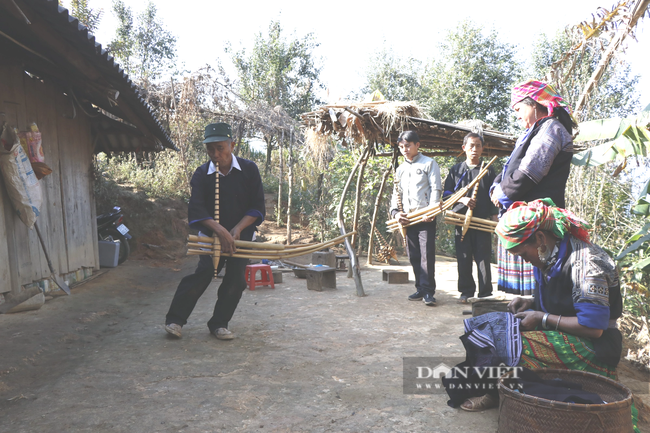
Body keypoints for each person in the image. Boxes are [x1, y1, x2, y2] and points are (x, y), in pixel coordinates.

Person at [445, 199, 632, 429]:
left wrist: (541, 317)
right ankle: (500, 389)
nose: (522, 259)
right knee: (488, 328)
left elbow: (593, 328)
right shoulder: (548, 256)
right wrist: (531, 302)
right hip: (570, 330)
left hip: (596, 346)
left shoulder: (587, 264)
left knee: (510, 346)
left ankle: (500, 393)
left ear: (540, 239)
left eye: (522, 253)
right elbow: (566, 299)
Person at [164, 122, 265, 340]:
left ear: (232, 145)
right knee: (204, 273)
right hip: (211, 236)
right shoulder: (202, 173)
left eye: (220, 148)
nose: (215, 154)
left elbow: (257, 207)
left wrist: (236, 229)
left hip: (242, 237)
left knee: (236, 280)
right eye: (210, 149)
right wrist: (220, 231)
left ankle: (219, 324)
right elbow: (197, 208)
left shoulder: (249, 170)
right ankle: (175, 320)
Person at [490, 80, 578, 295]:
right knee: (532, 280)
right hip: (528, 212)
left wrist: (502, 193)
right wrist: (495, 187)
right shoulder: (533, 132)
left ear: (534, 104)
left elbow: (530, 172)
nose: (517, 116)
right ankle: (531, 311)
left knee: (540, 276)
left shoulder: (552, 129)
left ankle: (541, 315)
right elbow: (509, 168)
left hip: (539, 217)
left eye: (519, 109)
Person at [443, 133, 498, 303]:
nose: (474, 149)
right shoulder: (456, 170)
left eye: (478, 146)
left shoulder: (488, 170)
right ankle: (466, 292)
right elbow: (446, 195)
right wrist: (463, 198)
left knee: (483, 257)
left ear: (482, 148)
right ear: (464, 148)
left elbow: (494, 196)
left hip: (481, 221)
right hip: (460, 219)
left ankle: (485, 293)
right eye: (471, 146)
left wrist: (495, 218)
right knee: (464, 257)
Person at [390, 130, 442, 306]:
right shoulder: (400, 169)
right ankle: (420, 288)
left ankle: (428, 292)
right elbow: (396, 193)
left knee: (426, 255)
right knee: (413, 255)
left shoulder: (429, 163)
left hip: (426, 216)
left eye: (408, 145)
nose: (405, 149)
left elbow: (436, 188)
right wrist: (396, 213)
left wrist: (432, 211)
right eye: (401, 147)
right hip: (407, 218)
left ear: (417, 145)